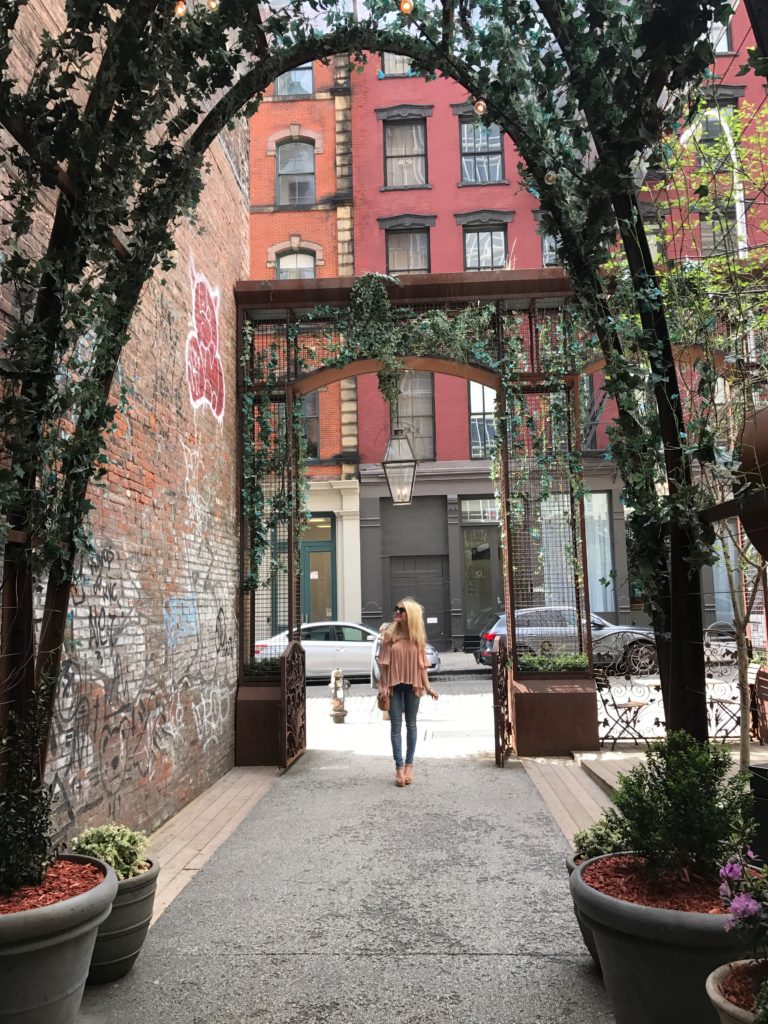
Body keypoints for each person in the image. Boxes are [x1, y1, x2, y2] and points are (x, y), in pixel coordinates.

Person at [376, 597, 439, 787]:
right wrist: (383, 686)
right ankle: (399, 768)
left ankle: (410, 765)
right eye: (396, 609)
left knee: (411, 725)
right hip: (393, 685)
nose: (397, 612)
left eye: (401, 610)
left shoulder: (417, 638)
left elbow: (422, 667)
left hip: (413, 685)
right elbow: (384, 665)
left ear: (409, 615)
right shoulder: (388, 636)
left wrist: (428, 688)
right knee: (395, 727)